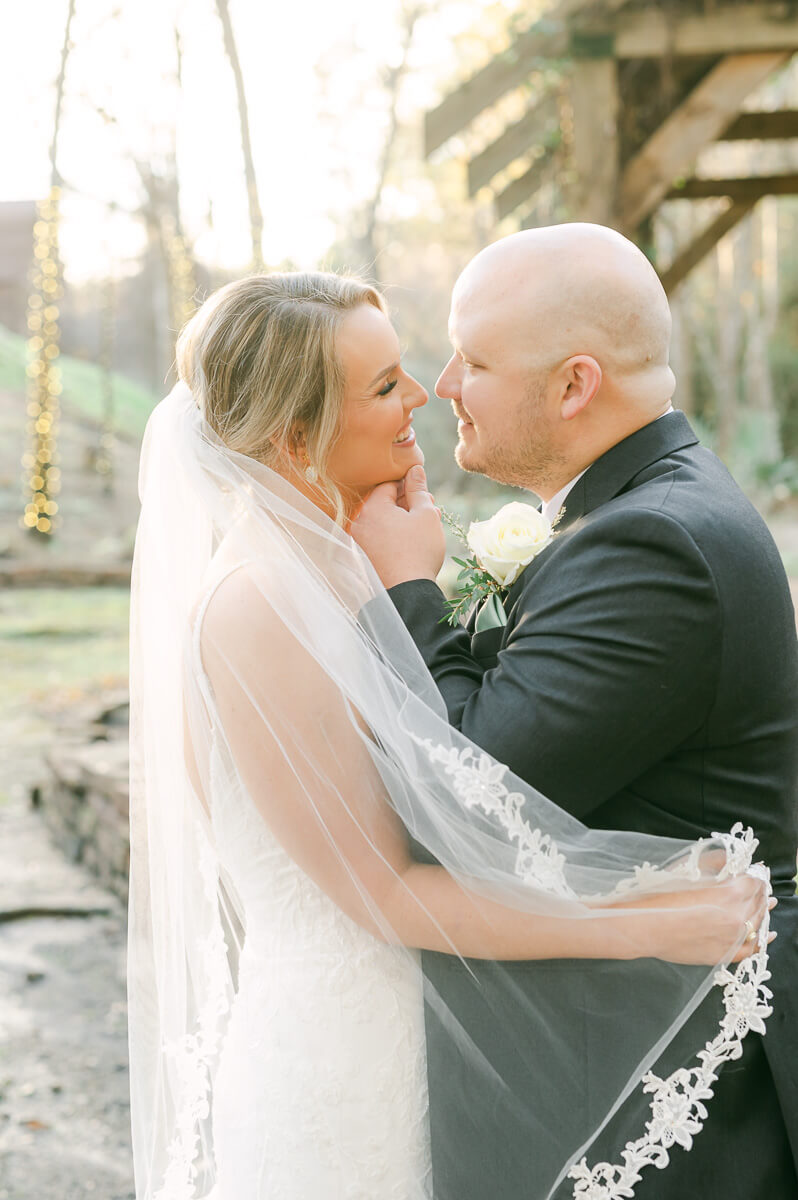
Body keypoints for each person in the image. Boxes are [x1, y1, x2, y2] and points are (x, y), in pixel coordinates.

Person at [128, 271, 773, 1200]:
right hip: (344, 1068)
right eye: (386, 384)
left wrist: (407, 579)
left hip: (431, 1041)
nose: (424, 395)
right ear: (293, 434)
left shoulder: (348, 563)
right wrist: (649, 920)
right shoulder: (257, 607)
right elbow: (386, 891)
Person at [351, 224, 798, 1200]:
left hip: (665, 1087)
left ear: (573, 385)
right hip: (623, 1041)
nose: (446, 382)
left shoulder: (653, 544)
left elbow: (470, 802)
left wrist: (404, 591)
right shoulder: (640, 510)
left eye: (475, 356)